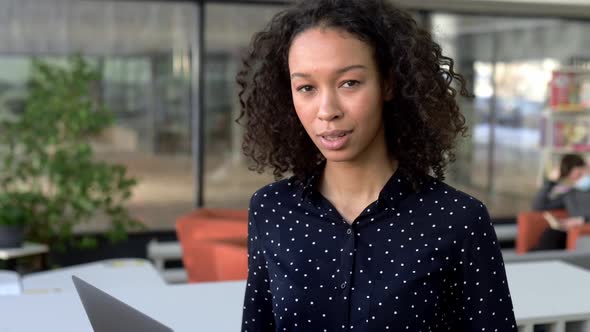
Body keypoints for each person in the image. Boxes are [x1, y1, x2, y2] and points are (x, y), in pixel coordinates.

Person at [236, 0, 517, 331]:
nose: (327, 110)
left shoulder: (459, 220)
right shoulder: (272, 209)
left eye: (349, 83)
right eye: (307, 88)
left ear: (388, 83)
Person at [532, 154, 589, 250]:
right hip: (569, 233)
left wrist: (582, 220)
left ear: (586, 167)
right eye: (574, 177)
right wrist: (550, 182)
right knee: (550, 234)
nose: (580, 179)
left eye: (580, 174)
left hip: (584, 233)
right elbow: (538, 206)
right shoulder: (569, 193)